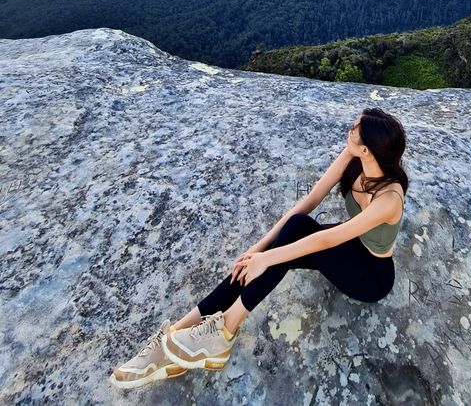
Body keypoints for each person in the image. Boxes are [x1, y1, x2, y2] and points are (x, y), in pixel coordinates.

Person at [109, 107, 408, 389]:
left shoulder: (389, 198)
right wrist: (259, 249)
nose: (350, 129)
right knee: (293, 229)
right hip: (349, 247)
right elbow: (309, 201)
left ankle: (223, 330)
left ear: (367, 149)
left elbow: (328, 239)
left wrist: (268, 258)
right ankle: (176, 335)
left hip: (371, 276)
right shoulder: (353, 158)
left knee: (283, 249)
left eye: (355, 128)